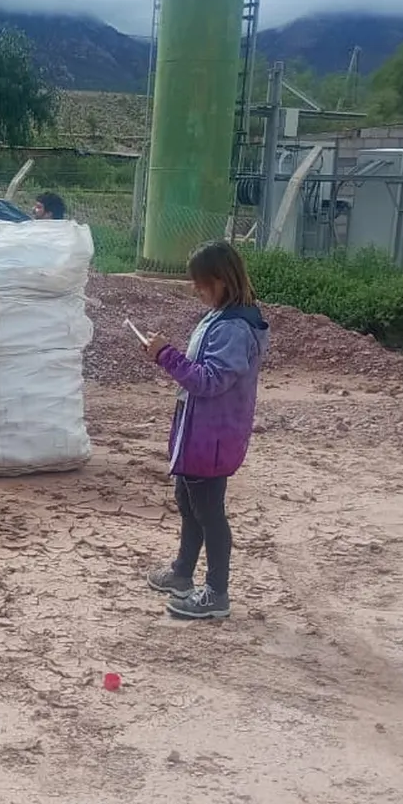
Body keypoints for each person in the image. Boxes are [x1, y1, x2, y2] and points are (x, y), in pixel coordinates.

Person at [142, 240, 268, 621]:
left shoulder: (234, 328)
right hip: (199, 435)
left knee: (210, 514)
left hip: (212, 439)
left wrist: (166, 356)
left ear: (222, 279)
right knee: (189, 504)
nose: (196, 289)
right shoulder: (220, 318)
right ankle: (183, 572)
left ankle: (216, 592)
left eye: (201, 282)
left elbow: (209, 380)